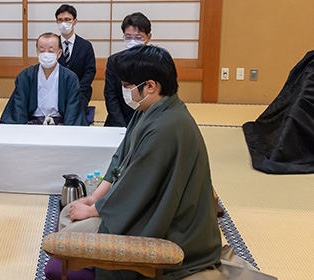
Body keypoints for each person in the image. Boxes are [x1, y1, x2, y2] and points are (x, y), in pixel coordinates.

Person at [58, 45, 222, 279]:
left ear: (151, 86)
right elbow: (120, 162)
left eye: (127, 86)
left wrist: (95, 210)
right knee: (69, 214)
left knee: (69, 235)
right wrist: (95, 198)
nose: (125, 91)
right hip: (137, 205)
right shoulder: (148, 110)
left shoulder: (166, 128)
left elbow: (136, 187)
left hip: (169, 226)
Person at [0, 33, 84, 126]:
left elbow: (72, 110)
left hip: (60, 124)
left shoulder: (69, 78)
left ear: (59, 53)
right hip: (32, 124)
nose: (46, 54)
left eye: (50, 50)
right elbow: (19, 107)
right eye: (42, 50)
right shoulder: (26, 76)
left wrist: (68, 131)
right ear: (37, 52)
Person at [103, 12, 153, 127]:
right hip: (118, 119)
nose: (132, 41)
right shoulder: (114, 61)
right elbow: (111, 96)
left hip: (147, 120)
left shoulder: (155, 62)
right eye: (128, 37)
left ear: (148, 37)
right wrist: (121, 126)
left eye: (138, 37)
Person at [55, 4, 96, 125]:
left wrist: (77, 89)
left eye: (67, 20)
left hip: (80, 91)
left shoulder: (85, 46)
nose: (64, 23)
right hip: (56, 91)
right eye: (60, 20)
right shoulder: (53, 45)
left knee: (75, 115)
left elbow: (90, 71)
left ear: (75, 21)